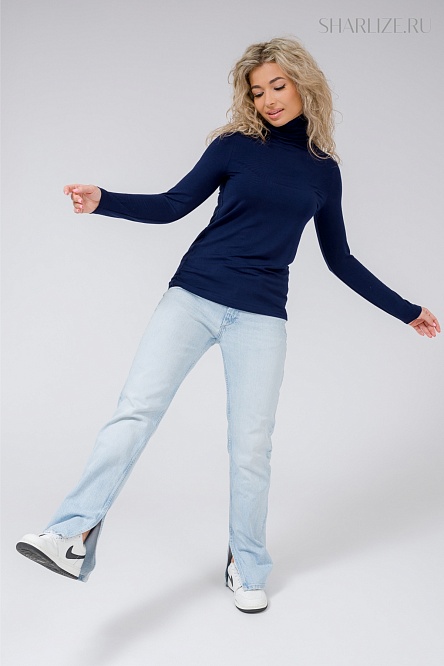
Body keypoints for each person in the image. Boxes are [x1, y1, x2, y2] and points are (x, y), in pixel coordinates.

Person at [16, 37, 440, 614]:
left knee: (251, 448)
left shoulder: (324, 171)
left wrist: (406, 309)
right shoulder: (234, 146)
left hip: (261, 315)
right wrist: (103, 199)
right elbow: (173, 204)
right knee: (135, 410)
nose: (268, 100)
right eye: (257, 91)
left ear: (304, 84)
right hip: (193, 295)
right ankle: (70, 533)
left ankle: (247, 563)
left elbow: (339, 258)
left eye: (277, 86)